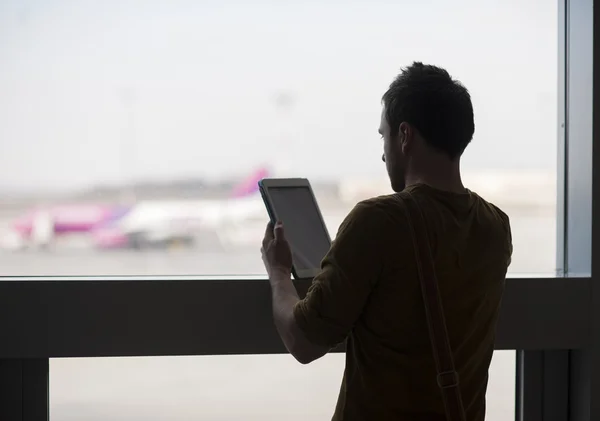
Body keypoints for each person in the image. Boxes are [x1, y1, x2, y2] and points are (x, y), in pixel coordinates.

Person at [261, 62, 513, 421]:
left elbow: (303, 341)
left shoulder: (379, 221)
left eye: (384, 136)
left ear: (405, 136)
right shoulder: (495, 227)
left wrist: (279, 273)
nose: (383, 152)